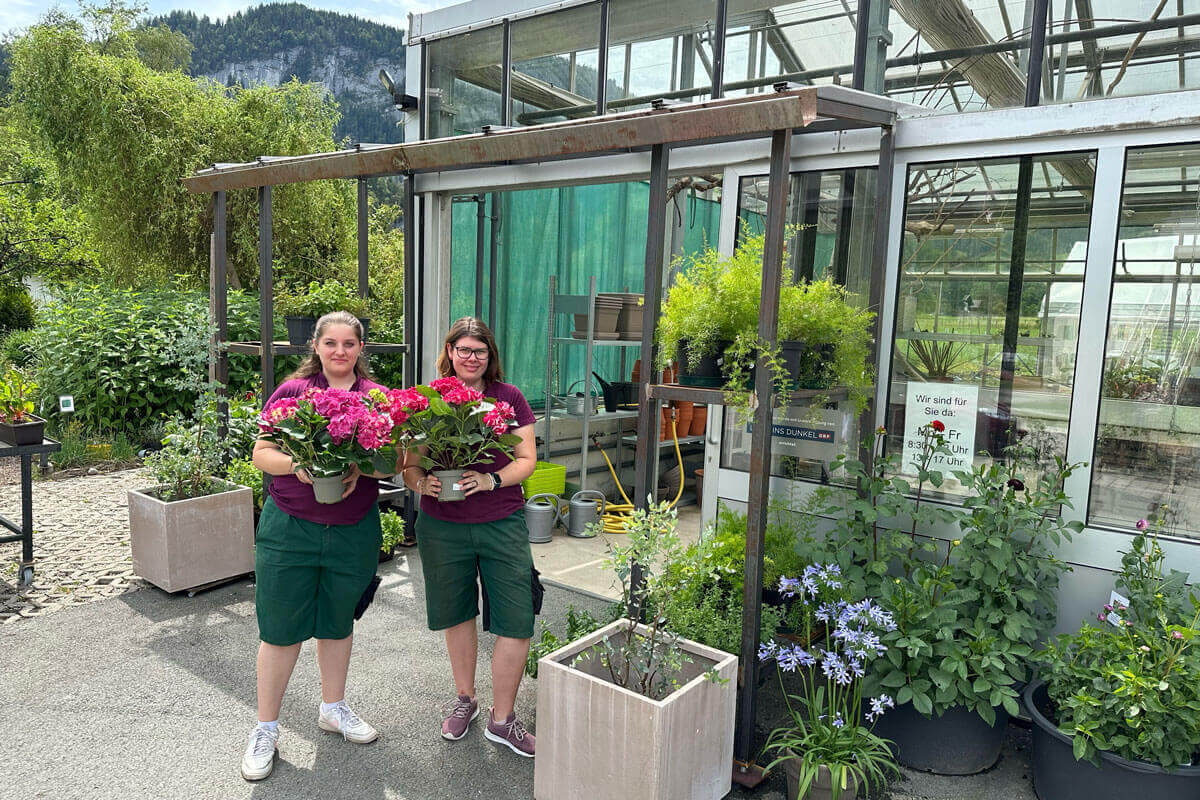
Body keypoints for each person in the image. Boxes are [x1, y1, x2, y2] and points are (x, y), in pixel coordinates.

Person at [241, 311, 393, 781]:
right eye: (331, 343)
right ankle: (266, 727)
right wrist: (299, 466)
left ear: (361, 348)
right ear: (317, 346)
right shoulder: (292, 394)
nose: (340, 352)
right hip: (290, 529)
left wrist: (360, 468)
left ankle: (333, 708)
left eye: (349, 343)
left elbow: (397, 459)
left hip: (352, 530)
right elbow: (261, 452)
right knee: (280, 629)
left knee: (337, 621)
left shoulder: (377, 400)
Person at [401, 317, 539, 757]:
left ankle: (503, 720)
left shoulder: (509, 398)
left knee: (517, 619)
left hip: (502, 521)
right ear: (450, 352)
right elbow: (410, 467)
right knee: (456, 613)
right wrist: (423, 485)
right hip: (443, 527)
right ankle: (466, 699)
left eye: (479, 350)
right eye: (462, 349)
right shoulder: (430, 400)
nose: (471, 357)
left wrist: (493, 480)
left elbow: (527, 458)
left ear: (490, 356)